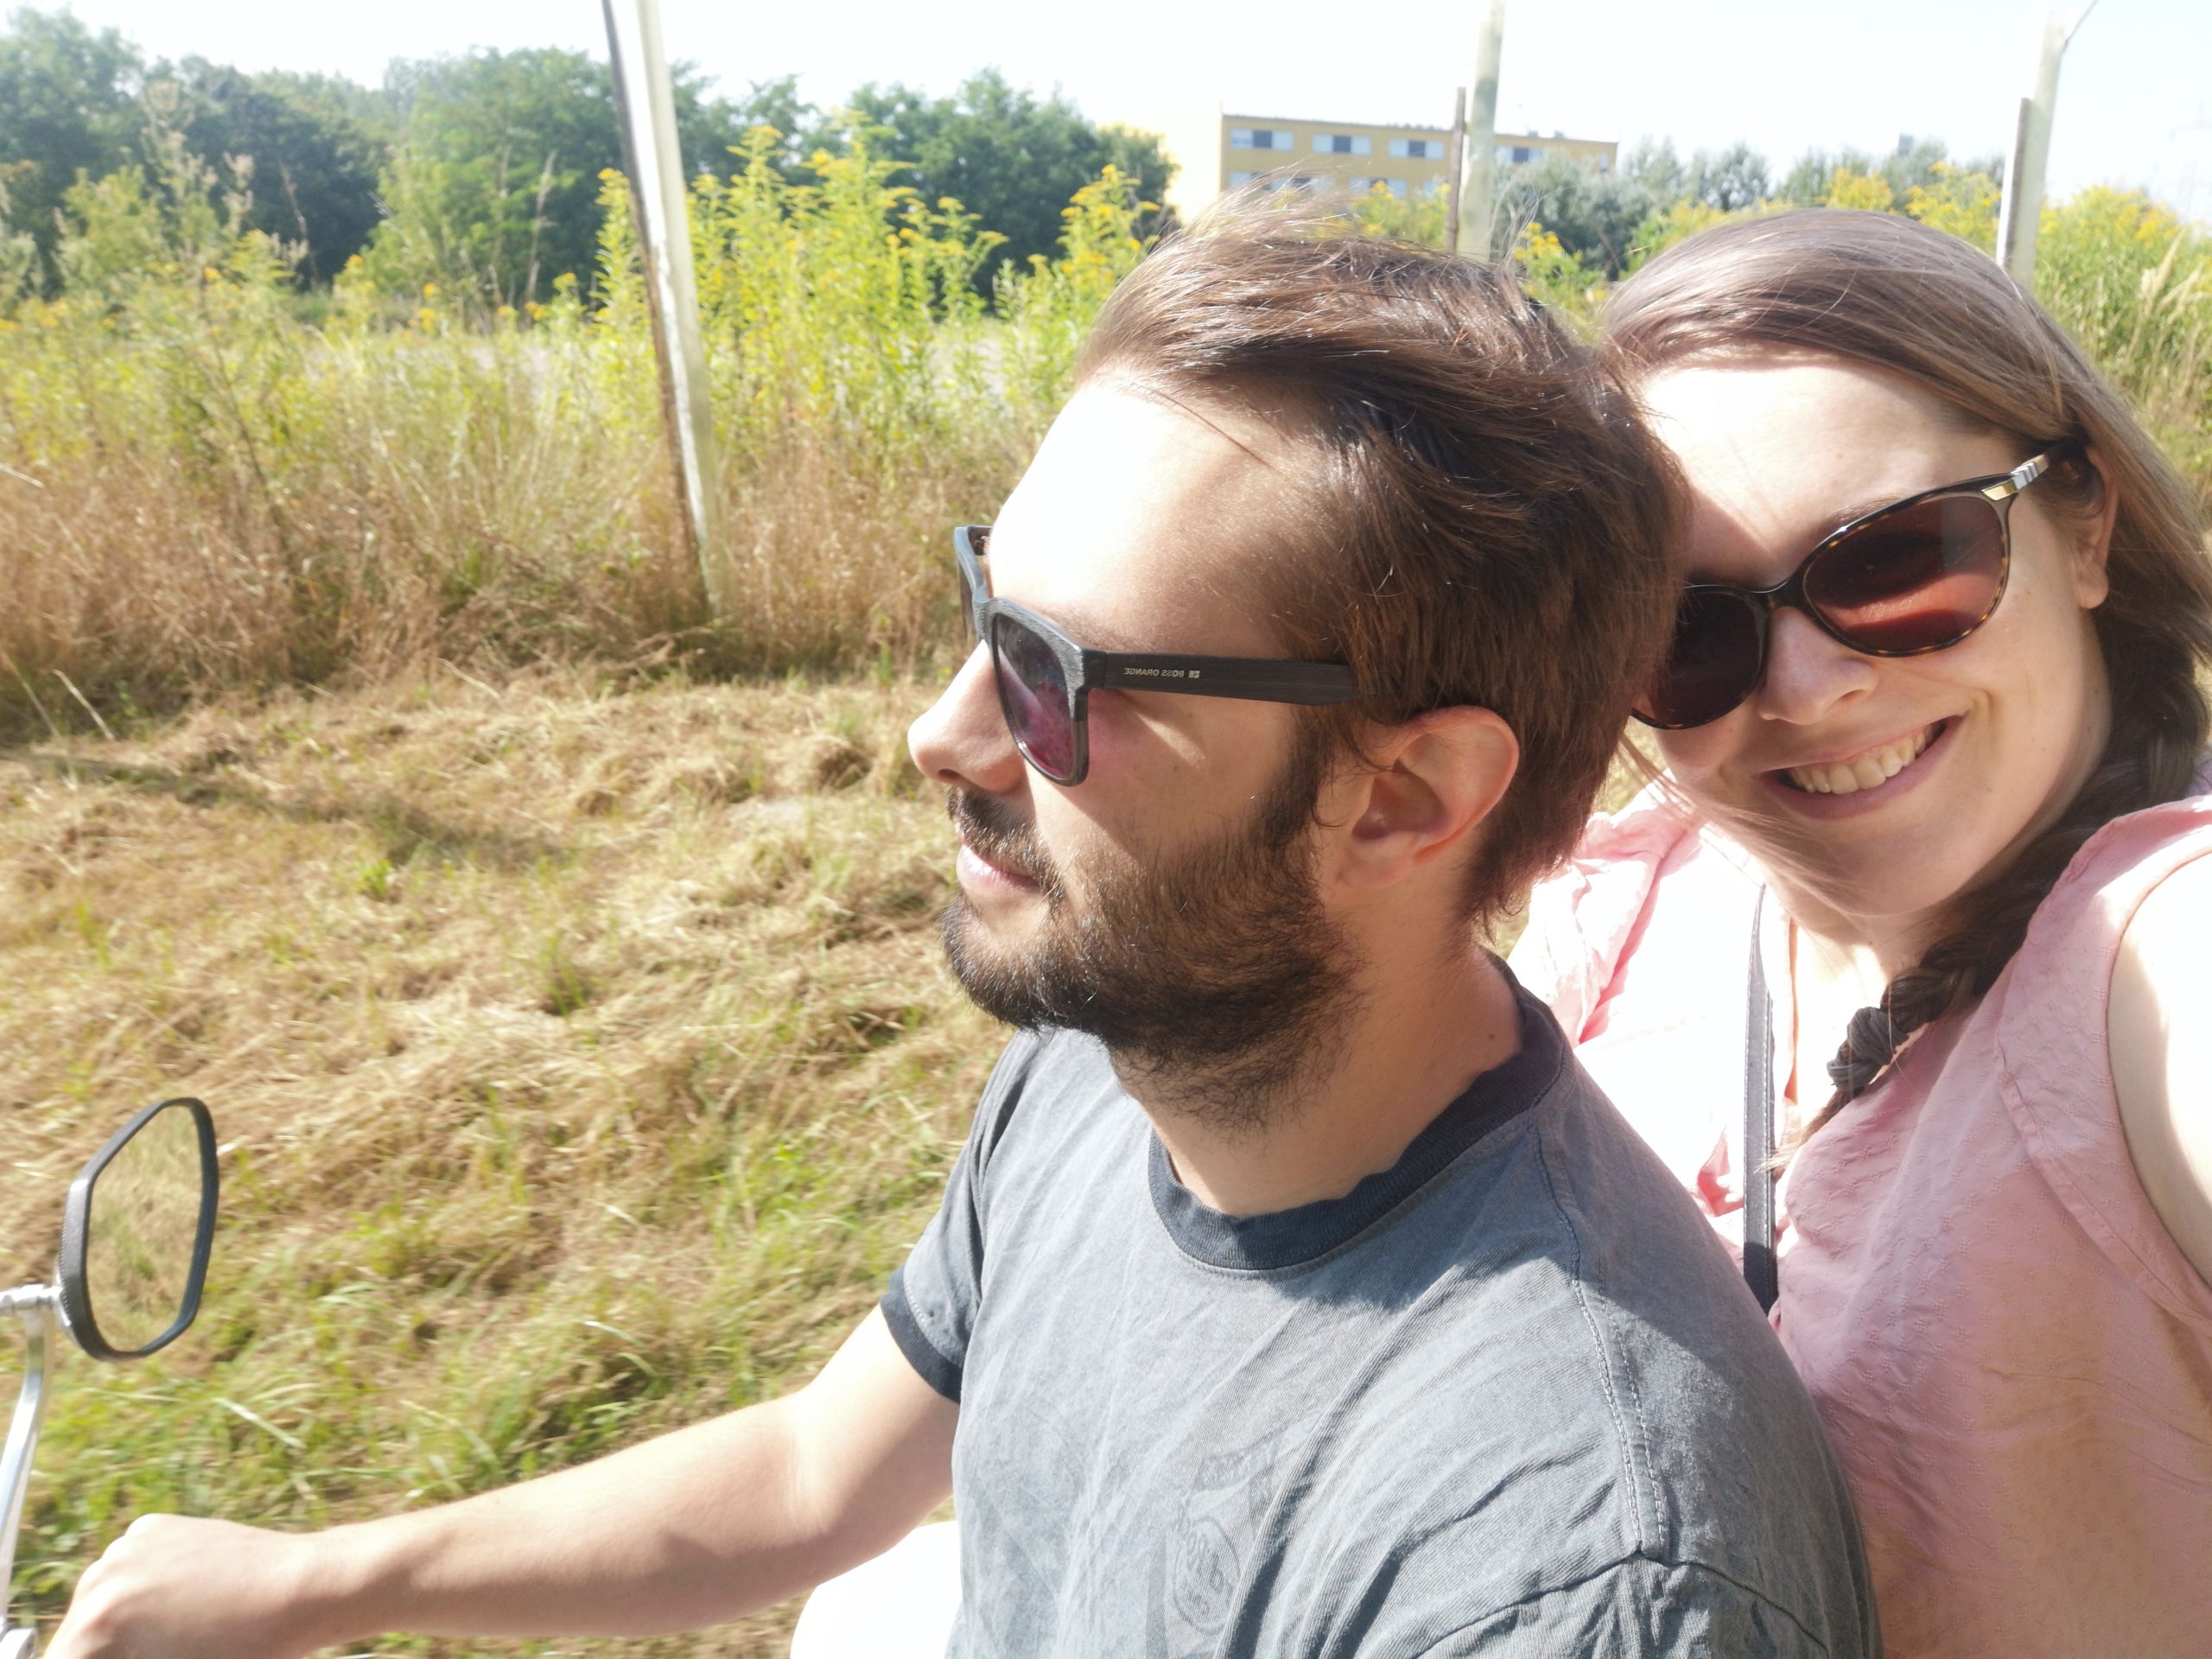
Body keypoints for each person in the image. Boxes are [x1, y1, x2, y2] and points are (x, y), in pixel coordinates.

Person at [48, 219, 1878, 1659]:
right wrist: (319, 1582)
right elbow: (813, 1473)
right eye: (986, 608)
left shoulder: (1570, 1565)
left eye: (1056, 676)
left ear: (1399, 800)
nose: (938, 732)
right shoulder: (1121, 1059)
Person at [1510, 207, 2212, 1659]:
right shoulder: (1632, 902)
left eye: (1897, 560)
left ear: (2086, 523)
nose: (1807, 687)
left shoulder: (2162, 952)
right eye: (1687, 629)